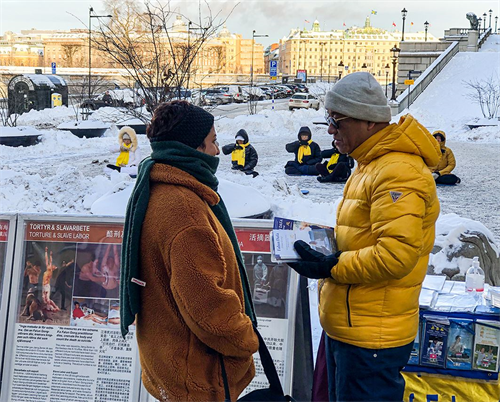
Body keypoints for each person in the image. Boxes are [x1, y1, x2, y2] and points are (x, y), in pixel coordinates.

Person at [287, 72, 441, 402]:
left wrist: (332, 265)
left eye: (336, 121)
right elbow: (366, 236)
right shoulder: (369, 164)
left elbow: (395, 255)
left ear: (368, 122)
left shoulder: (397, 170)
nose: (329, 130)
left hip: (372, 338)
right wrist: (323, 246)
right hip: (353, 327)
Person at [120, 100, 259, 401]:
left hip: (173, 363)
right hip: (198, 376)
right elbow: (207, 310)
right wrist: (247, 337)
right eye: (212, 141)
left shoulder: (159, 186)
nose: (218, 151)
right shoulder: (186, 212)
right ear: (191, 149)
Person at [42, 247, 60, 312]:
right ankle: (49, 307)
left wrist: (49, 254)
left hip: (46, 285)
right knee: (44, 298)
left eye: (54, 266)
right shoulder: (48, 270)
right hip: (44, 285)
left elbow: (49, 261)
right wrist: (46, 252)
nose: (53, 265)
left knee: (47, 299)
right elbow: (47, 260)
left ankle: (55, 307)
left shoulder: (50, 271)